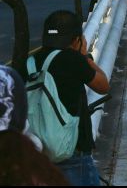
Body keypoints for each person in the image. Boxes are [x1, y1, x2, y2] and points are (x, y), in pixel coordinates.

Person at [24, 11, 110, 186]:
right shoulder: (72, 59)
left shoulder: (30, 62)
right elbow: (103, 86)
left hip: (39, 153)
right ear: (77, 40)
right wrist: (84, 56)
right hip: (73, 153)